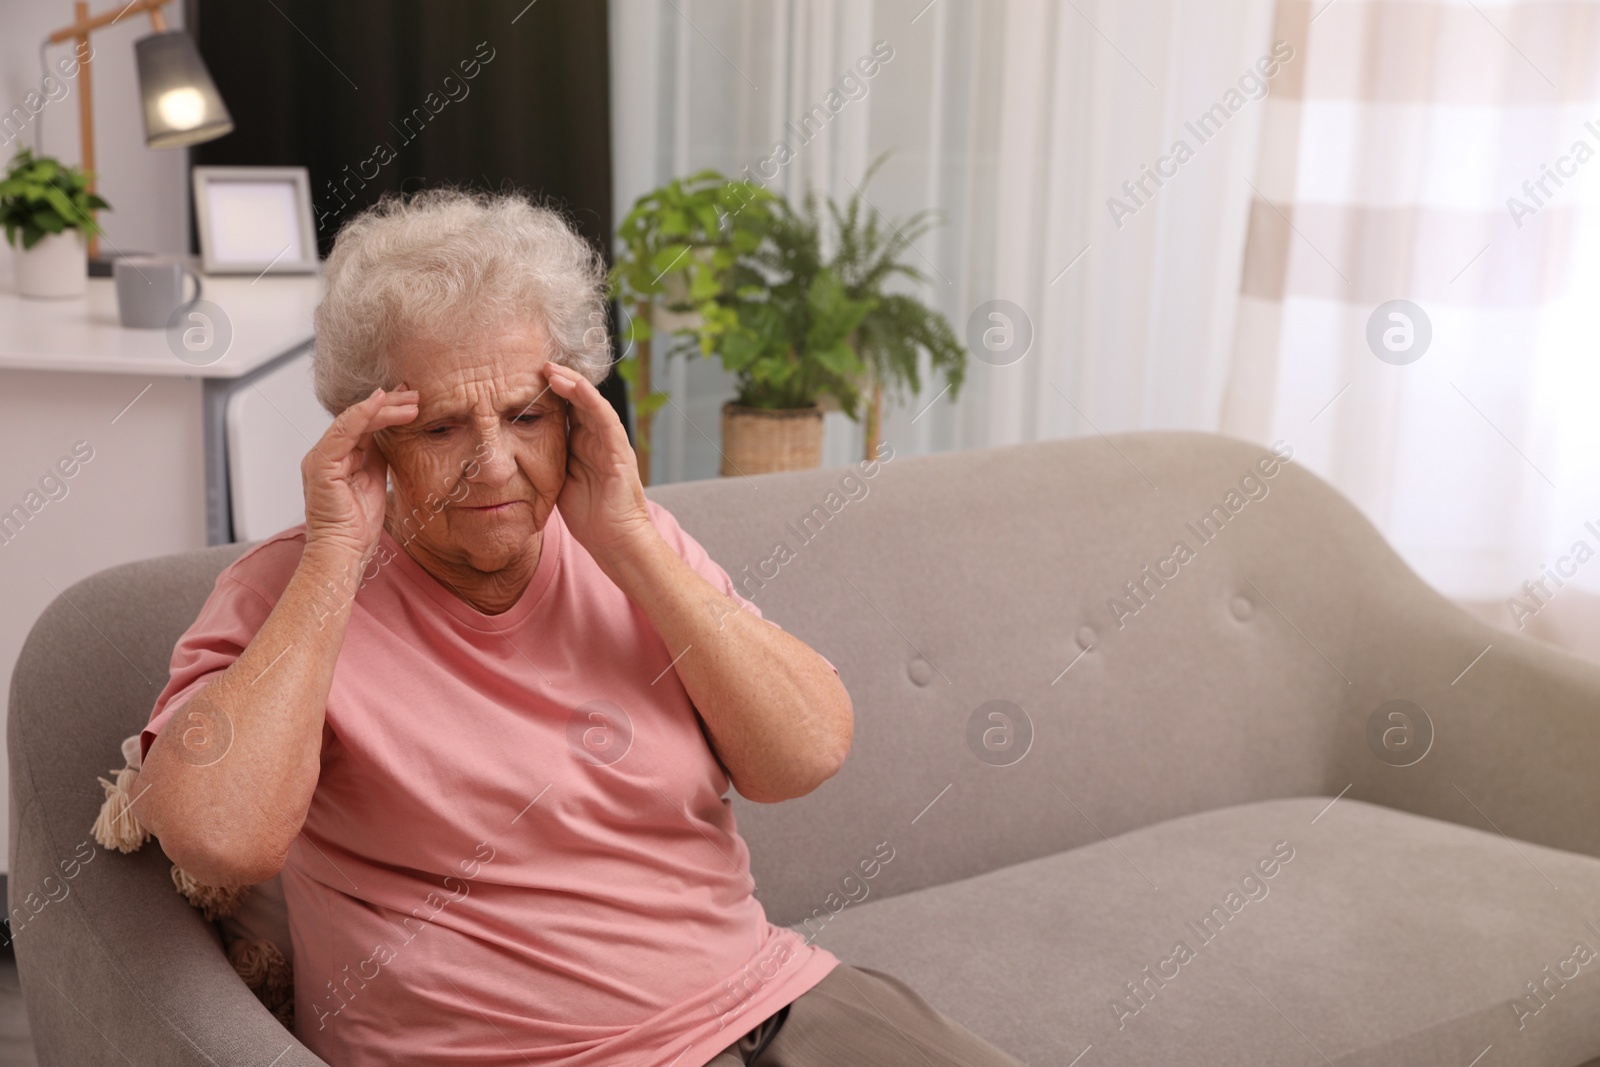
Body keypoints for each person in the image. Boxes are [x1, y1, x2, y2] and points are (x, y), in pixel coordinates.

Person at [133, 188, 1025, 1067]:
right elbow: (216, 834)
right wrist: (333, 561)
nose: (493, 462)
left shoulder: (628, 542)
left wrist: (632, 543)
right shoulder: (285, 592)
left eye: (525, 415)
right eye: (443, 425)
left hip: (765, 1002)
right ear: (370, 435)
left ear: (572, 412)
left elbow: (804, 753)